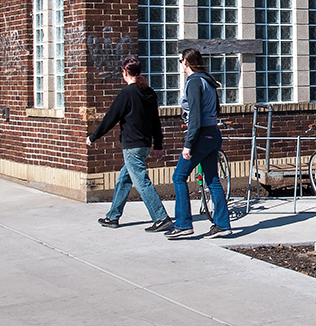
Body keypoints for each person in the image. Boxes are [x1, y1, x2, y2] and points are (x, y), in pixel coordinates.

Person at [87, 58, 173, 231]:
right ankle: (113, 216)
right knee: (124, 179)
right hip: (144, 145)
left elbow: (110, 118)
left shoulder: (126, 94)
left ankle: (160, 217)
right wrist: (158, 145)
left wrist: (93, 137)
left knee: (141, 182)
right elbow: (156, 121)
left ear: (125, 73)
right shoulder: (149, 93)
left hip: (132, 146)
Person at [172, 48, 232, 237]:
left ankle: (183, 225)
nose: (181, 64)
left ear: (186, 62)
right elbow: (215, 109)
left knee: (179, 177)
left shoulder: (194, 82)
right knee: (213, 180)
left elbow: (195, 116)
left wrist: (188, 144)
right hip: (213, 134)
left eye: (181, 60)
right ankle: (222, 224)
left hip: (201, 137)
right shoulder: (209, 81)